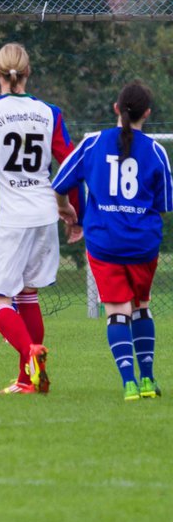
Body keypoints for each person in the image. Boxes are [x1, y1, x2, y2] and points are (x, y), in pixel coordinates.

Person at [0, 43, 77, 395]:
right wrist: (69, 208)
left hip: (9, 215)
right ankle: (28, 379)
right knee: (28, 294)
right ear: (27, 72)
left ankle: (30, 354)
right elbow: (68, 164)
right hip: (43, 213)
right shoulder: (49, 112)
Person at [52, 81, 172, 401]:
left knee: (117, 312)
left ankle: (129, 383)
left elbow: (60, 184)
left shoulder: (92, 144)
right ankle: (148, 380)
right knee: (141, 309)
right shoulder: (157, 152)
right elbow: (163, 206)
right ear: (147, 113)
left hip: (105, 243)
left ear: (116, 109)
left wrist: (68, 212)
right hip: (143, 245)